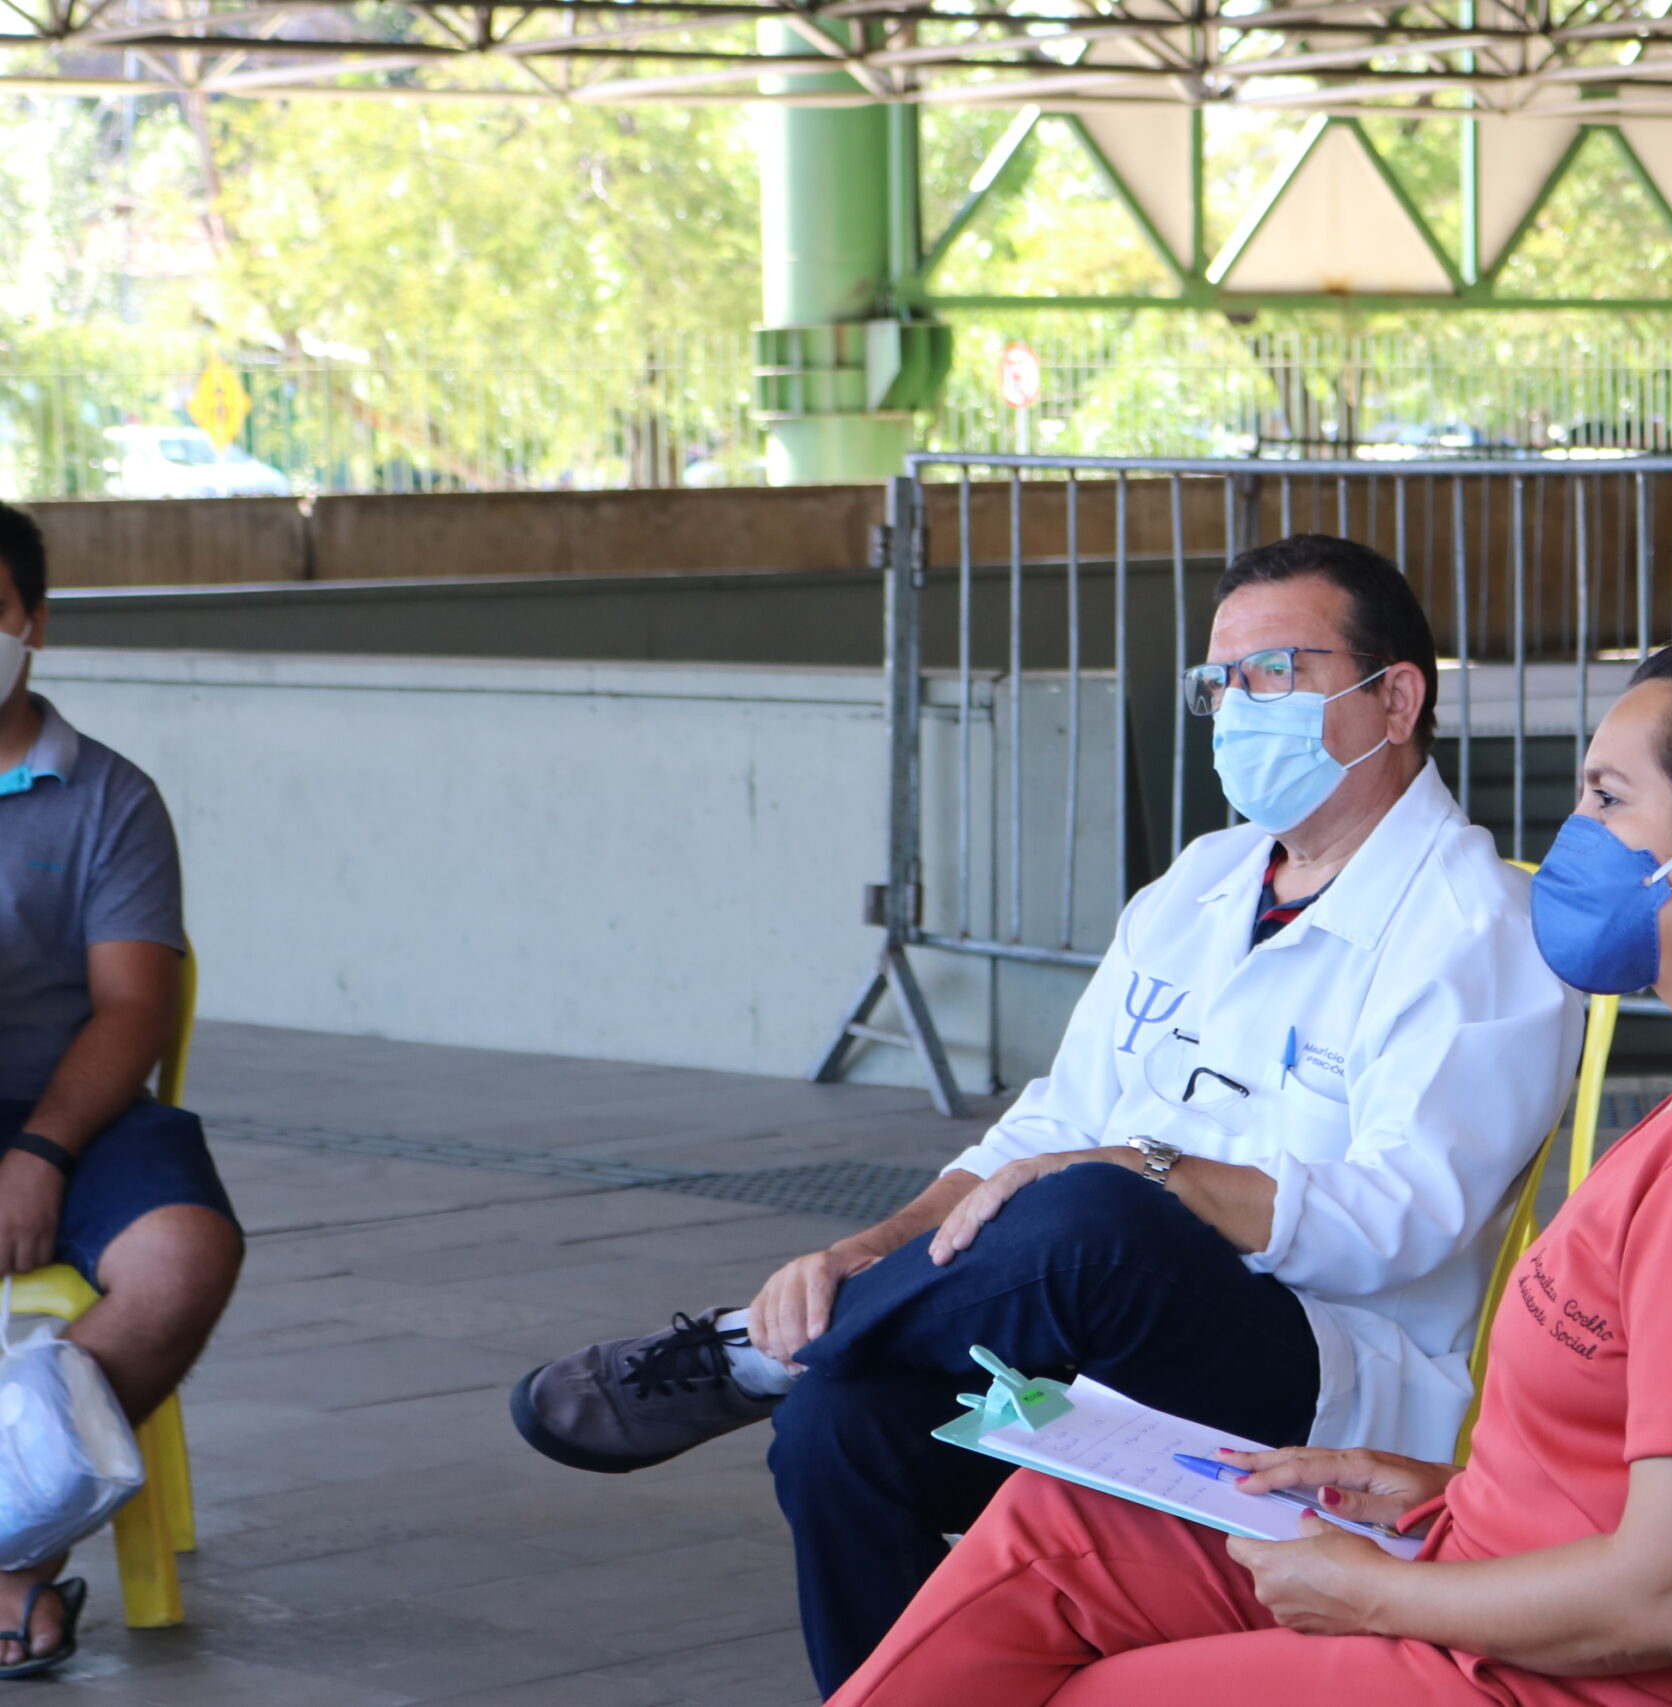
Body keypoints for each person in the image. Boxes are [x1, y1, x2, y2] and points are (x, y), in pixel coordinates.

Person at [825, 633, 1672, 1707]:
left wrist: (1376, 1598)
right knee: (1061, 1523)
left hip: (1551, 1669)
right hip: (1488, 1573)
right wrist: (1436, 1490)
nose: (1568, 841)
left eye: (1609, 802)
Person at [509, 533, 1581, 1693]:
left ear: (1395, 697)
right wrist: (862, 1250)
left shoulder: (1479, 933)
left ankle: (762, 1355)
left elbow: (1399, 1221)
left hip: (1324, 1376)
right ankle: (812, 1360)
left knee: (1099, 1216)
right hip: (1103, 1347)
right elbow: (1041, 1127)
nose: (1235, 708)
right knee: (838, 1437)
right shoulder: (1198, 887)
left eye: (1274, 671)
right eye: (1218, 683)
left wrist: (1145, 1168)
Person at [0, 501, 244, 1680]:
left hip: (78, 1113)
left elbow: (132, 1010)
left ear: (32, 624)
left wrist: (41, 1152)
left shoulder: (109, 799)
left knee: (183, 1259)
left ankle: (11, 1551)